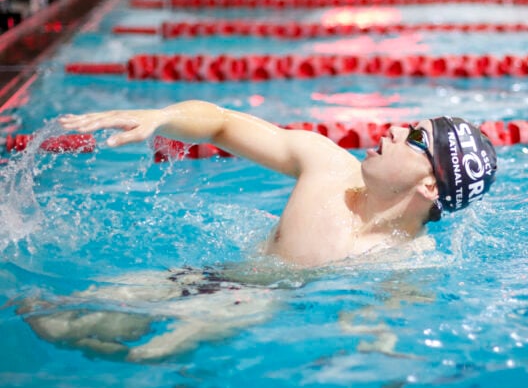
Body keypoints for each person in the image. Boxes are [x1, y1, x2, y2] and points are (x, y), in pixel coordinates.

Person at [59, 100, 498, 267]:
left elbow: (383, 338)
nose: (395, 131)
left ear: (430, 187)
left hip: (245, 314)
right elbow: (223, 125)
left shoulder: (408, 262)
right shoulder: (325, 164)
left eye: (416, 138)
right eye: (408, 125)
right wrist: (161, 116)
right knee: (51, 319)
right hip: (200, 276)